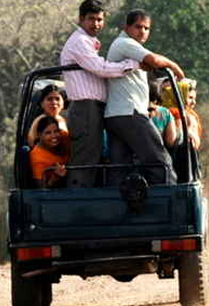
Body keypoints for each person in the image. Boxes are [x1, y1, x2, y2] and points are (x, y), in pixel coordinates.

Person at [58, 0, 141, 188]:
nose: (96, 24)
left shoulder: (89, 42)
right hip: (85, 108)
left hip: (94, 108)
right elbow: (100, 68)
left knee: (95, 156)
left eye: (100, 19)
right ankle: (77, 204)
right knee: (85, 158)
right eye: (91, 19)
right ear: (81, 19)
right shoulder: (79, 42)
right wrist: (133, 64)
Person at [105, 10, 183, 185]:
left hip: (115, 115)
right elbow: (154, 60)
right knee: (161, 162)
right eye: (138, 26)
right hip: (129, 113)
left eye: (146, 28)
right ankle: (171, 203)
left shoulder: (129, 47)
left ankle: (120, 210)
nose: (142, 32)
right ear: (127, 27)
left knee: (120, 169)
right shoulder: (124, 43)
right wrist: (174, 66)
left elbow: (150, 62)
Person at [27, 116, 68, 189]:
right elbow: (42, 189)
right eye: (48, 133)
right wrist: (55, 177)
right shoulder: (37, 158)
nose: (54, 136)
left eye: (56, 131)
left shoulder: (64, 137)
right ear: (39, 135)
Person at [24, 85, 68, 149]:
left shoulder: (62, 119)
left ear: (63, 104)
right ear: (42, 104)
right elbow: (32, 143)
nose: (54, 102)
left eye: (57, 99)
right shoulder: (40, 121)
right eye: (49, 99)